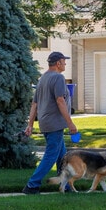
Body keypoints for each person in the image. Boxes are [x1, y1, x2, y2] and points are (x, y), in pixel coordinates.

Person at [22, 51, 78, 194]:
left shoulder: (43, 79)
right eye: (64, 61)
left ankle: (65, 185)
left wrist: (30, 125)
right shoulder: (58, 77)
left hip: (46, 123)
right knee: (51, 155)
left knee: (62, 156)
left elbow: (34, 104)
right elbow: (60, 101)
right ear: (58, 63)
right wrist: (70, 123)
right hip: (55, 124)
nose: (65, 63)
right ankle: (32, 185)